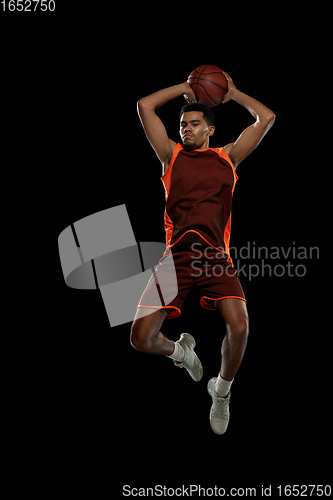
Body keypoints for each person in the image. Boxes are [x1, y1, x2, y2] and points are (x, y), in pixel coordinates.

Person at [131, 72, 275, 435]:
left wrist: (233, 92)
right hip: (175, 258)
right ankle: (182, 353)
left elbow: (266, 118)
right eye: (183, 124)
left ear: (210, 130)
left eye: (194, 124)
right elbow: (144, 106)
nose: (186, 129)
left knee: (240, 326)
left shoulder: (228, 157)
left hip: (214, 257)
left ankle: (221, 391)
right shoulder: (171, 155)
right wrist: (184, 88)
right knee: (141, 339)